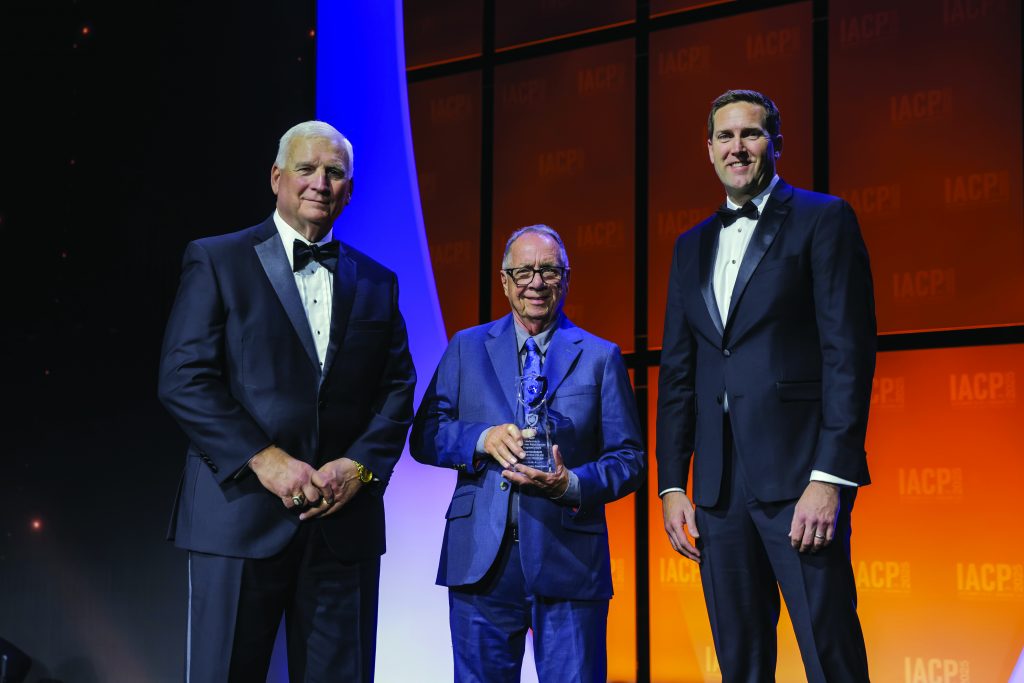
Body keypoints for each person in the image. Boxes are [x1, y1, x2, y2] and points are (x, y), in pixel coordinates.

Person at [158, 120, 416, 682]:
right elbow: (184, 377)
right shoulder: (216, 259)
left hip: (341, 526)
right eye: (306, 169)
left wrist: (360, 468)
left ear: (349, 189)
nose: (320, 183)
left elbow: (397, 389)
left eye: (335, 173)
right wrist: (264, 458)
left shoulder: (378, 282)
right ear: (277, 178)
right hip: (239, 518)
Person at [656, 89, 876, 682]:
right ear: (708, 150)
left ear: (774, 144)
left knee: (830, 655)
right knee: (740, 664)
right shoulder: (689, 245)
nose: (737, 147)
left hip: (799, 484)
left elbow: (847, 356)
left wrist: (830, 478)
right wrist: (673, 484)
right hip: (717, 494)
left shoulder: (823, 219)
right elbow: (679, 370)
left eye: (750, 134)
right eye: (724, 137)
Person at [410, 224, 644, 682]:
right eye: (524, 272)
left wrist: (571, 484)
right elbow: (426, 435)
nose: (536, 283)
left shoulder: (600, 356)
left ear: (567, 278)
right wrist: (481, 438)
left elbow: (629, 458)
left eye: (549, 271)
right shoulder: (466, 347)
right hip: (482, 562)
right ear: (504, 280)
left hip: (569, 560)